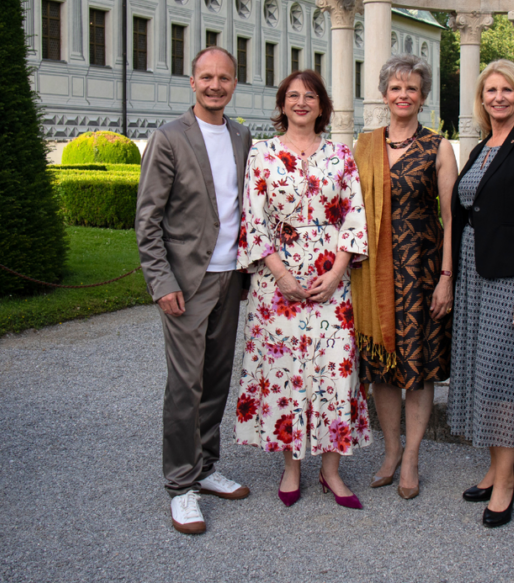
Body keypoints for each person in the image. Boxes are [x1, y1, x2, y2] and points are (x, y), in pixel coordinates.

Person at [233, 70, 371, 510]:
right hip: (277, 285)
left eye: (310, 96)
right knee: (285, 371)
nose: (301, 102)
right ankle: (292, 465)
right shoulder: (261, 154)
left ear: (322, 105)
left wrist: (335, 274)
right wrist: (282, 276)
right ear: (282, 103)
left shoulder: (341, 155)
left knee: (335, 371)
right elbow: (253, 220)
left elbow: (354, 218)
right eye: (293, 96)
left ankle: (331, 470)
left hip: (332, 281)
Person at [136, 46, 253, 535]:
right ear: (192, 81)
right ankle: (180, 485)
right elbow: (148, 220)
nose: (215, 85)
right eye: (207, 77)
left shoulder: (243, 136)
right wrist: (161, 282)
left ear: (233, 84)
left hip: (231, 278)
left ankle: (205, 467)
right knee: (185, 385)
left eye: (224, 78)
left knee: (217, 379)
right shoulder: (168, 138)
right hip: (186, 283)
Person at [447, 60, 514, 527]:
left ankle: (508, 480)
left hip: (509, 280)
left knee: (504, 376)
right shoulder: (479, 149)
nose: (498, 97)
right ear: (482, 98)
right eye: (490, 90)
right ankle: (497, 467)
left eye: (506, 90)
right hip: (475, 273)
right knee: (483, 373)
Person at [350, 55, 457, 500]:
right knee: (382, 368)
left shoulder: (438, 147)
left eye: (411, 88)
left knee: (418, 368)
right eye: (396, 88)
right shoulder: (364, 145)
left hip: (421, 272)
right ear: (383, 93)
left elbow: (451, 218)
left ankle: (413, 455)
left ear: (423, 97)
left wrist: (447, 277)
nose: (403, 95)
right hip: (373, 274)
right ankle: (390, 450)